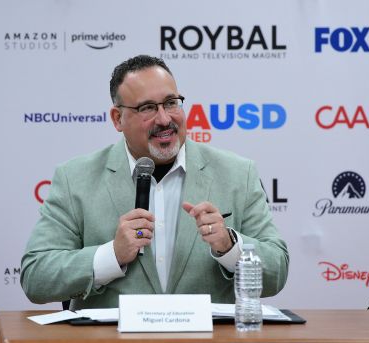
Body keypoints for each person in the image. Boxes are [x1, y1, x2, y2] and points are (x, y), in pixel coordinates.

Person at [21, 55, 289, 310]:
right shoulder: (75, 179)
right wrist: (111, 255)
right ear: (118, 119)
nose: (164, 119)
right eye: (147, 108)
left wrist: (230, 246)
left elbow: (277, 271)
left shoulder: (237, 173)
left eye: (171, 102)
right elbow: (36, 276)